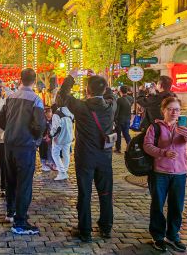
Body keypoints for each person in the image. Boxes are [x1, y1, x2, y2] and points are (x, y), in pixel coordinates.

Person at [59, 69, 115, 243]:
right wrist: (101, 78)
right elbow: (111, 94)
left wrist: (72, 77)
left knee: (85, 193)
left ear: (86, 91)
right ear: (104, 90)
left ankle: (85, 230)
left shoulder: (81, 107)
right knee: (106, 192)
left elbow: (62, 96)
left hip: (85, 157)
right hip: (105, 157)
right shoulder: (112, 105)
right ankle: (106, 227)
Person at [143, 97, 187, 252]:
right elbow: (147, 146)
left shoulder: (183, 125)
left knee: (176, 206)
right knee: (158, 205)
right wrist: (163, 153)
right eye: (171, 109)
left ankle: (173, 236)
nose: (174, 112)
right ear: (164, 110)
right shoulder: (155, 127)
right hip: (160, 172)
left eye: (177, 109)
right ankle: (158, 237)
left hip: (180, 173)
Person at [0, 68, 46, 235]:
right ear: (34, 81)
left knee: (10, 180)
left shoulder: (10, 97)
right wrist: (36, 140)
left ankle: (10, 212)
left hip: (9, 144)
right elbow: (39, 125)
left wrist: (10, 130)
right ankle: (20, 222)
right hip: (25, 146)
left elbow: (0, 119)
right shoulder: (36, 100)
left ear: (20, 79)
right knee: (24, 183)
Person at [50, 94, 74, 181]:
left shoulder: (57, 114)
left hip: (59, 138)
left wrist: (50, 135)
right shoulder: (70, 112)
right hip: (68, 136)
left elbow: (55, 128)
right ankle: (64, 171)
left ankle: (62, 172)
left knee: (55, 154)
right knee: (66, 154)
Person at [114, 86, 133, 153]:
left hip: (120, 119)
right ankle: (131, 147)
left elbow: (117, 111)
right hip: (127, 118)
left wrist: (114, 119)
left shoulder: (119, 100)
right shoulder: (131, 98)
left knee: (118, 134)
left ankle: (118, 149)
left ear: (120, 91)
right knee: (126, 134)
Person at [38, 107, 54, 172]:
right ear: (46, 113)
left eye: (51, 112)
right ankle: (43, 164)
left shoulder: (52, 120)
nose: (51, 113)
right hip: (43, 139)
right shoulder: (42, 120)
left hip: (50, 139)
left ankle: (50, 162)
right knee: (43, 151)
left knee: (50, 150)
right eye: (50, 112)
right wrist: (43, 136)